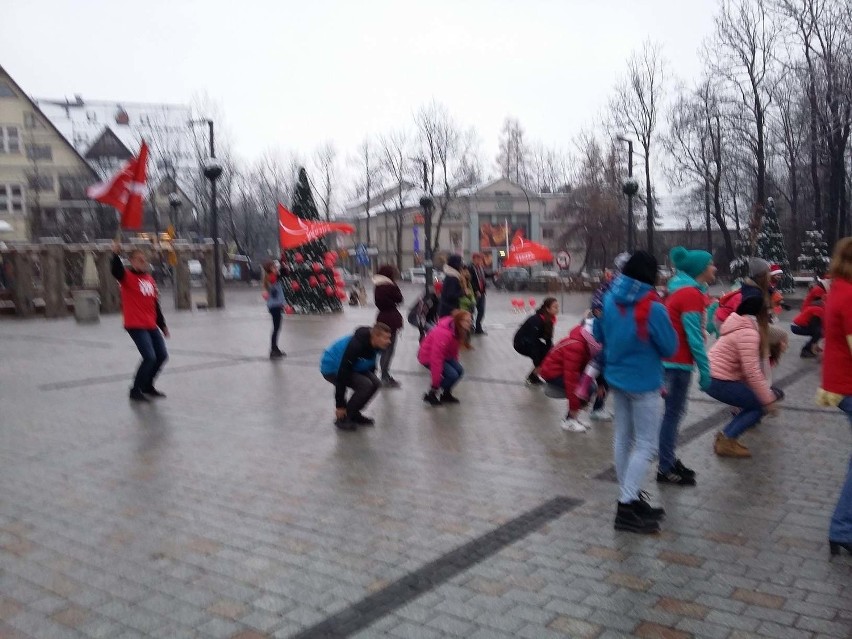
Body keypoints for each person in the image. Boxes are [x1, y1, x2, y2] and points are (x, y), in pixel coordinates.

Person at [594, 251, 677, 534]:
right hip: (644, 383)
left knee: (623, 439)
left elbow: (599, 335)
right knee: (645, 445)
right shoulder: (653, 307)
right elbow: (669, 347)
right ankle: (626, 504)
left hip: (617, 379)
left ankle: (629, 496)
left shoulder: (608, 299)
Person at [658, 246, 716, 487]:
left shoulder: (686, 292)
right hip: (676, 365)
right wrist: (705, 369)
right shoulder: (689, 294)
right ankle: (665, 467)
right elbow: (693, 337)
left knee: (674, 414)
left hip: (673, 362)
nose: (715, 267)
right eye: (711, 263)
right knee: (673, 415)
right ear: (701, 269)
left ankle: (668, 460)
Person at [706, 297, 782, 458]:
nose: (769, 318)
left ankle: (726, 438)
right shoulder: (749, 333)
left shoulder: (740, 326)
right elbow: (752, 371)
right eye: (768, 313)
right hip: (719, 379)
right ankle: (727, 439)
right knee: (759, 406)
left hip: (714, 377)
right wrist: (768, 400)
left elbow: (747, 371)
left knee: (754, 402)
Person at [816, 237, 852, 557]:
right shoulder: (850, 295)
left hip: (839, 385)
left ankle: (842, 529)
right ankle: (842, 528)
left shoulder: (839, 288)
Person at [111, 241, 170, 402]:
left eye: (144, 259)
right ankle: (135, 390)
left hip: (150, 324)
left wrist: (162, 324)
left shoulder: (149, 279)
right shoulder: (126, 277)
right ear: (132, 261)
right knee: (149, 357)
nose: (143, 262)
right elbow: (115, 270)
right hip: (135, 324)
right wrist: (115, 254)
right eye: (139, 259)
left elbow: (154, 304)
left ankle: (147, 386)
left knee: (162, 356)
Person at [320, 323, 392, 431]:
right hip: (333, 369)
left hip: (354, 368)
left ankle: (353, 413)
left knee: (376, 383)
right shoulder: (356, 345)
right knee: (365, 385)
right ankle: (342, 419)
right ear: (376, 336)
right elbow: (342, 374)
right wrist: (340, 405)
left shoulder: (377, 345)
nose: (389, 341)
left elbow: (371, 363)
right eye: (386, 338)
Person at [540, 320, 603, 433]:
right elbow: (571, 381)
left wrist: (598, 385)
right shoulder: (576, 346)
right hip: (552, 373)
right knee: (584, 388)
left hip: (560, 371)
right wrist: (576, 403)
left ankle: (572, 419)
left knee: (589, 387)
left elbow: (588, 369)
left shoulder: (583, 343)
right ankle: (569, 421)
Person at [418, 310, 471, 405]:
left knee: (459, 371)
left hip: (445, 355)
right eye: (467, 321)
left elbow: (454, 350)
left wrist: (455, 363)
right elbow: (436, 358)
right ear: (459, 321)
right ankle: (431, 394)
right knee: (452, 375)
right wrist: (435, 383)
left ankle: (445, 394)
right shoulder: (444, 334)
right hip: (428, 356)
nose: (470, 323)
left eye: (470, 321)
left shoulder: (458, 330)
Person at [513, 297, 558, 386]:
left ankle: (534, 377)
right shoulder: (537, 320)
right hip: (521, 342)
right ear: (547, 309)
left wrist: (552, 351)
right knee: (541, 357)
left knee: (549, 353)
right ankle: (532, 378)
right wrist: (537, 362)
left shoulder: (549, 319)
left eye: (557, 307)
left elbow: (548, 339)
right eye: (555, 307)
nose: (557, 309)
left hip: (532, 341)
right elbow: (533, 343)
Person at [373, 265, 404, 388]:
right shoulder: (390, 286)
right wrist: (395, 287)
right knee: (389, 349)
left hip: (382, 317)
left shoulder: (378, 286)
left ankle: (383, 374)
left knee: (384, 348)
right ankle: (385, 376)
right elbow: (400, 298)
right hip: (391, 319)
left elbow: (379, 302)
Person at [791, 279, 828, 358]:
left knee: (819, 332)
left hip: (797, 324)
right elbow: (815, 324)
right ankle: (806, 350)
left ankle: (810, 348)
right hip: (796, 326)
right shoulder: (819, 308)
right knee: (818, 332)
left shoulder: (819, 305)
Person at [262, 261, 286, 359]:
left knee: (277, 328)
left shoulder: (271, 276)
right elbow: (281, 274)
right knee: (276, 328)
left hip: (276, 306)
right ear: (269, 269)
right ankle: (273, 349)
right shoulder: (271, 277)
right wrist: (281, 268)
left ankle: (275, 348)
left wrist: (283, 265)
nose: (275, 268)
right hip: (275, 306)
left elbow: (283, 273)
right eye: (273, 267)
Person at [470, 253, 488, 335]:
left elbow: (485, 275)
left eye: (481, 259)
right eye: (479, 259)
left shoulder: (480, 268)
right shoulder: (470, 268)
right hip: (474, 293)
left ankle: (478, 328)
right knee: (472, 310)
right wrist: (476, 290)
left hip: (482, 293)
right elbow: (470, 281)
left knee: (481, 311)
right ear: (474, 259)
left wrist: (495, 273)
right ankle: (471, 327)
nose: (480, 261)